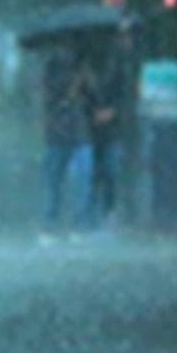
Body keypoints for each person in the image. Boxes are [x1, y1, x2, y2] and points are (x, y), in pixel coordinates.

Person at [40, 42, 95, 239]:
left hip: (81, 132)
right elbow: (56, 99)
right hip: (57, 133)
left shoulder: (84, 66)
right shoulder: (51, 69)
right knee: (53, 183)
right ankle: (50, 225)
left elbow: (93, 97)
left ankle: (79, 224)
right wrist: (75, 83)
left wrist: (87, 80)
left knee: (83, 180)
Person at [86, 27, 135, 226]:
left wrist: (113, 111)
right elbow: (82, 98)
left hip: (112, 130)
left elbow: (127, 97)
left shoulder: (122, 67)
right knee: (97, 172)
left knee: (110, 171)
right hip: (92, 130)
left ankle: (108, 211)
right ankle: (95, 213)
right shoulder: (89, 67)